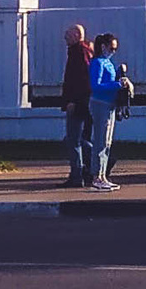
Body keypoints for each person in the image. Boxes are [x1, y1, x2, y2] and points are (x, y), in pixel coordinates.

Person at [86, 30, 136, 187]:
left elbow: (111, 79)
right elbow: (95, 86)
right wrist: (117, 85)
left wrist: (120, 74)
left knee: (107, 141)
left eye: (115, 49)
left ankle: (102, 174)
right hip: (100, 104)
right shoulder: (97, 63)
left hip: (109, 104)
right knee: (101, 140)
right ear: (103, 47)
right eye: (111, 48)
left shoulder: (108, 63)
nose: (113, 52)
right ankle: (97, 176)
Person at [58, 22, 93, 185]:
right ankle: (93, 163)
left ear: (77, 36)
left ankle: (77, 174)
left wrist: (72, 100)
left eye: (68, 34)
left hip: (78, 102)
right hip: (84, 102)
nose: (65, 37)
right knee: (76, 138)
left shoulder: (79, 52)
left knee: (73, 139)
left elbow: (79, 80)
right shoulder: (83, 51)